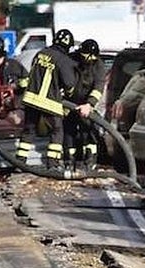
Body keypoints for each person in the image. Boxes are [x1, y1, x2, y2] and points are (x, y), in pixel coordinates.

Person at [17, 28, 79, 169]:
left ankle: (19, 161)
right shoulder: (64, 60)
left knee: (29, 130)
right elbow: (69, 83)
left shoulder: (41, 53)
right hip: (50, 102)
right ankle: (52, 164)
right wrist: (69, 93)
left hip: (31, 99)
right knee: (57, 131)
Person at [64, 38, 105, 170]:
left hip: (87, 105)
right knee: (68, 131)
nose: (88, 61)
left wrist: (89, 104)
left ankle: (90, 161)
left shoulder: (98, 65)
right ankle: (69, 162)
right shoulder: (71, 60)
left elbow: (98, 87)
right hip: (70, 103)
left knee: (88, 132)